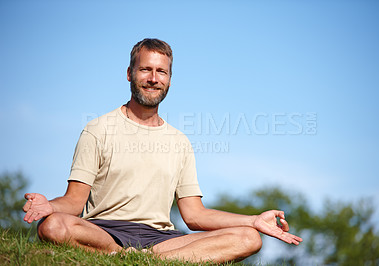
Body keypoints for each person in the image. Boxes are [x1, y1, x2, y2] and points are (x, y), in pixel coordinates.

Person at [23, 38, 302, 263]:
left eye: (161, 72)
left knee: (248, 238)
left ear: (169, 79)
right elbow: (73, 202)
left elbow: (194, 215)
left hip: (162, 240)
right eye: (146, 69)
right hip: (103, 231)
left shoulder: (179, 141)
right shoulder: (97, 129)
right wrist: (50, 205)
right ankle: (122, 255)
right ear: (130, 73)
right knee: (53, 226)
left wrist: (254, 220)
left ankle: (141, 259)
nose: (153, 78)